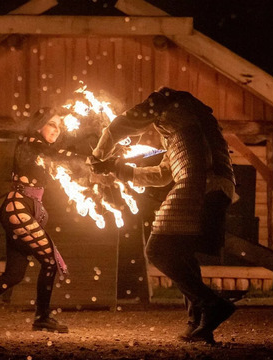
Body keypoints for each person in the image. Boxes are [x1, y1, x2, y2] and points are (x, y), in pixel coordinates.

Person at [90, 88, 236, 344]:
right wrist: (115, 168)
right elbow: (162, 175)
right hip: (218, 186)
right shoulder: (190, 126)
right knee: (181, 251)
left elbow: (121, 126)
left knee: (157, 250)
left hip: (200, 182)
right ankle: (198, 323)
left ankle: (211, 304)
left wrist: (97, 156)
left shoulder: (169, 105)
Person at [0, 108, 76, 335]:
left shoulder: (44, 150)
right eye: (52, 125)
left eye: (59, 127)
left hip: (25, 210)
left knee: (14, 275)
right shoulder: (30, 144)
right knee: (49, 260)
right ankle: (42, 317)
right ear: (39, 125)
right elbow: (52, 155)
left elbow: (59, 159)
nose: (56, 131)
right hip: (18, 209)